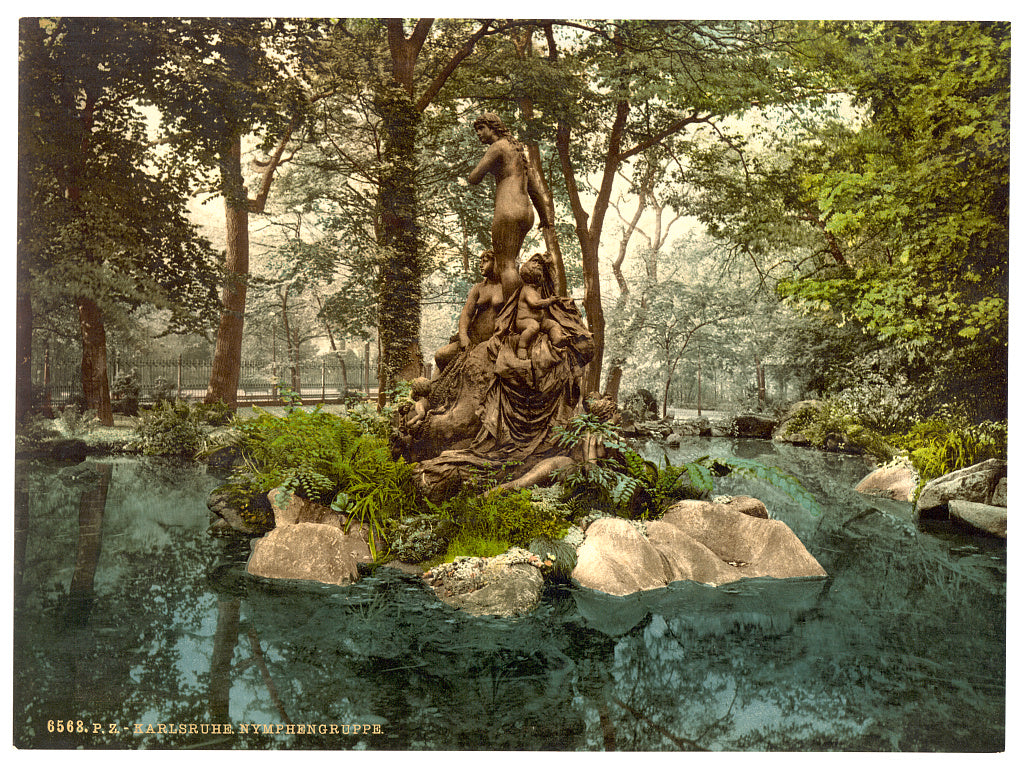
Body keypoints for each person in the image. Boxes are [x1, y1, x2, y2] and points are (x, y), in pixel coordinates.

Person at [467, 113, 552, 301]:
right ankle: (520, 309)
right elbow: (534, 189)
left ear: (493, 128)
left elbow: (474, 178)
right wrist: (544, 217)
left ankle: (510, 320)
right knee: (511, 263)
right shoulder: (518, 151)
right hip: (527, 212)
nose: (479, 134)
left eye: (481, 128)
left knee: (506, 266)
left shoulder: (497, 147)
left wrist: (484, 169)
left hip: (508, 210)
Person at [434, 250, 504, 374]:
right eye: (480, 261)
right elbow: (466, 314)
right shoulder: (478, 288)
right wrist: (463, 336)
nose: (481, 265)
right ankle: (435, 384)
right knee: (441, 354)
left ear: (496, 262)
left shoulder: (505, 287)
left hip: (493, 342)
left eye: (485, 261)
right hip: (473, 339)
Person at [515, 256, 567, 359]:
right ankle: (522, 347)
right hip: (524, 321)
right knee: (533, 326)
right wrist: (549, 301)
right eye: (535, 264)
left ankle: (557, 339)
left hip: (539, 321)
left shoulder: (536, 290)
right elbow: (535, 304)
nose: (538, 265)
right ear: (528, 272)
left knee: (553, 324)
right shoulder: (527, 289)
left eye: (540, 266)